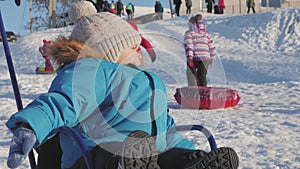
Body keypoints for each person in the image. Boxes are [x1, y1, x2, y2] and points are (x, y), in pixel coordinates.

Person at [6, 2, 239, 169]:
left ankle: (193, 163)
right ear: (109, 50)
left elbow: (164, 128)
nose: (138, 51)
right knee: (116, 152)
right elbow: (62, 103)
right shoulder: (91, 72)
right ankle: (126, 163)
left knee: (169, 153)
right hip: (93, 158)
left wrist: (188, 151)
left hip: (150, 154)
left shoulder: (149, 81)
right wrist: (30, 126)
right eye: (130, 46)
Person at [184, 14, 216, 86]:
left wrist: (189, 56)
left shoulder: (189, 33)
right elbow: (212, 46)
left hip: (195, 57)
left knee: (190, 74)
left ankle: (193, 91)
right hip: (205, 58)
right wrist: (212, 58)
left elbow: (189, 45)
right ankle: (204, 93)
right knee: (202, 76)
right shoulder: (206, 34)